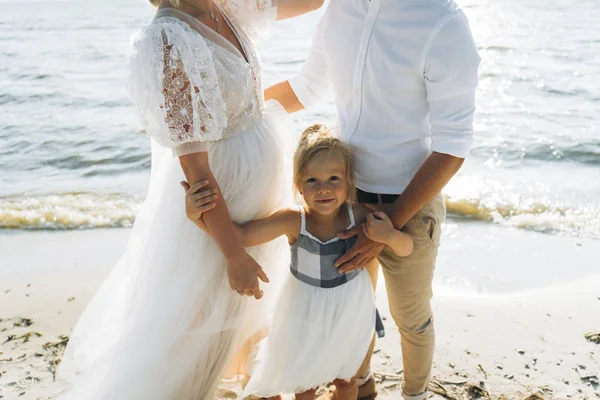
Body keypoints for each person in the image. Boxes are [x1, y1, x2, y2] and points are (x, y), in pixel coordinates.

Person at [57, 0, 322, 398]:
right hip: (222, 201)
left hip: (259, 190)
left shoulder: (226, 7)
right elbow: (197, 175)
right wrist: (234, 255)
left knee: (247, 318)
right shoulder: (168, 39)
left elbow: (310, 2)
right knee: (199, 330)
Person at [264, 0, 481, 398]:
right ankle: (362, 386)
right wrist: (235, 111)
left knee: (409, 318)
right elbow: (306, 87)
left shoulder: (443, 22)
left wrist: (392, 224)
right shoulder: (338, 10)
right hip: (345, 200)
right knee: (353, 308)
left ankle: (414, 395)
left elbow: (453, 146)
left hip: (411, 203)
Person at [184, 124, 413, 400]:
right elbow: (240, 235)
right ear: (298, 185)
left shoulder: (361, 216)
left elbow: (405, 248)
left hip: (350, 311)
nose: (323, 189)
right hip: (305, 313)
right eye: (312, 181)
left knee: (346, 380)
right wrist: (196, 217)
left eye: (334, 178)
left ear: (349, 181)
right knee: (305, 385)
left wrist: (388, 235)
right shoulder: (295, 221)